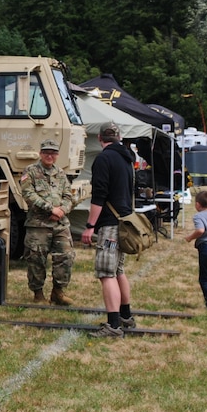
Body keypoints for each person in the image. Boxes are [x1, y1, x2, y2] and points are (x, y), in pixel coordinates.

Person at [81, 122, 136, 337]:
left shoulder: (104, 158)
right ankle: (125, 315)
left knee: (106, 273)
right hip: (124, 221)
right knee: (119, 270)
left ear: (100, 139)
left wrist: (90, 225)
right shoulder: (126, 158)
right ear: (119, 137)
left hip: (110, 225)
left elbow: (99, 195)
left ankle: (113, 325)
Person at [20, 138, 75, 305]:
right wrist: (51, 209)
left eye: (53, 153)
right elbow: (28, 194)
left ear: (57, 155)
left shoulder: (61, 173)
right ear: (40, 154)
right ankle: (38, 294)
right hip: (38, 225)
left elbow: (68, 196)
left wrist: (61, 211)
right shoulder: (30, 171)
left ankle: (58, 292)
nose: (49, 156)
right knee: (36, 259)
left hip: (60, 224)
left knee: (65, 257)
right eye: (46, 153)